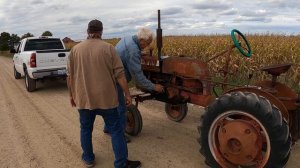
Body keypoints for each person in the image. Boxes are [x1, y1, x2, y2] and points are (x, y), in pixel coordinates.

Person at [67, 19, 141, 168]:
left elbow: (69, 77)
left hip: (85, 99)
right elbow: (120, 75)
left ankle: (88, 159)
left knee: (86, 128)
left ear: (87, 31)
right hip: (107, 100)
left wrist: (72, 96)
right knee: (116, 130)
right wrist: (127, 94)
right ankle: (121, 163)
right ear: (101, 31)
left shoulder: (75, 50)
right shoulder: (109, 48)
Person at [103, 28, 164, 142]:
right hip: (116, 80)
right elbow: (139, 78)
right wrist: (154, 87)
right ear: (141, 39)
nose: (148, 45)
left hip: (109, 76)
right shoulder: (133, 51)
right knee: (121, 108)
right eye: (147, 43)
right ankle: (119, 135)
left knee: (112, 105)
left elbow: (127, 53)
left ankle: (108, 128)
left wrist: (140, 53)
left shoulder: (128, 39)